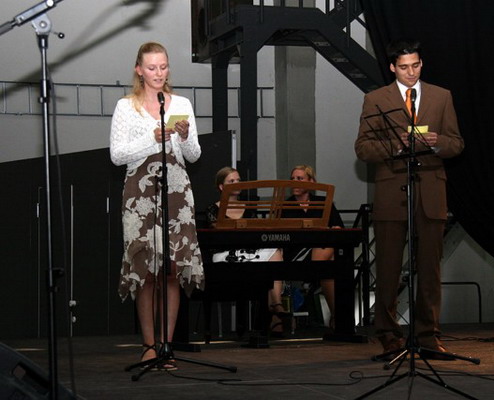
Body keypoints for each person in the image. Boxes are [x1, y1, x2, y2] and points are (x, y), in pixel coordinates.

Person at [355, 39, 464, 358]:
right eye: (404, 67)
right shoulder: (376, 99)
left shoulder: (442, 96)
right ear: (392, 67)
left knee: (430, 269)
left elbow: (457, 143)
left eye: (415, 65)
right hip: (392, 191)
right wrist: (397, 144)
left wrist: (437, 142)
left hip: (431, 190)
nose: (411, 72)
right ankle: (389, 334)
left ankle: (428, 335)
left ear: (421, 63)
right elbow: (363, 148)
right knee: (388, 268)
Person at [110, 42, 204, 370]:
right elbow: (117, 155)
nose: (158, 73)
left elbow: (194, 155)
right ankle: (149, 345)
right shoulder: (126, 106)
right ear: (139, 70)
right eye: (152, 68)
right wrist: (153, 136)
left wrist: (185, 136)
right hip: (140, 192)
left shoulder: (181, 103)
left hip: (176, 190)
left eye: (163, 67)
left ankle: (167, 345)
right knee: (146, 271)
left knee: (171, 271)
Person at [206, 167, 288, 336]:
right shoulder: (213, 209)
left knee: (274, 251)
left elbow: (256, 235)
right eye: (232, 181)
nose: (237, 183)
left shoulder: (249, 208)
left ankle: (275, 304)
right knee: (262, 268)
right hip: (225, 254)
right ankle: (275, 311)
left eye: (239, 180)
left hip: (249, 250)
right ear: (221, 186)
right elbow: (219, 236)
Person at [281, 165, 344, 329]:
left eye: (300, 178)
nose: (294, 182)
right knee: (330, 262)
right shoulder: (285, 206)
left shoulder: (323, 203)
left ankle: (336, 316)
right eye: (292, 179)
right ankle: (338, 318)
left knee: (329, 253)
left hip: (319, 251)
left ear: (311, 182)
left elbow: (338, 228)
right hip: (295, 255)